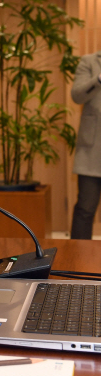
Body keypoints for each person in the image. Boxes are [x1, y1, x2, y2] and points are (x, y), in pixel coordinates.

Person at [70, 50, 101, 239]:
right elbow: (77, 95)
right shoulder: (89, 61)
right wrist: (98, 79)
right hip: (92, 150)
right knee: (85, 208)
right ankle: (77, 260)